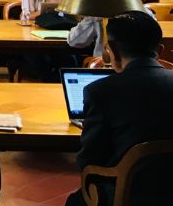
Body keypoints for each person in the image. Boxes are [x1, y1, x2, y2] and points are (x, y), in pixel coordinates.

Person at [66, 11, 173, 206]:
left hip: (127, 193)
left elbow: (89, 160)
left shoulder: (100, 91)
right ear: (159, 49)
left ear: (111, 50)